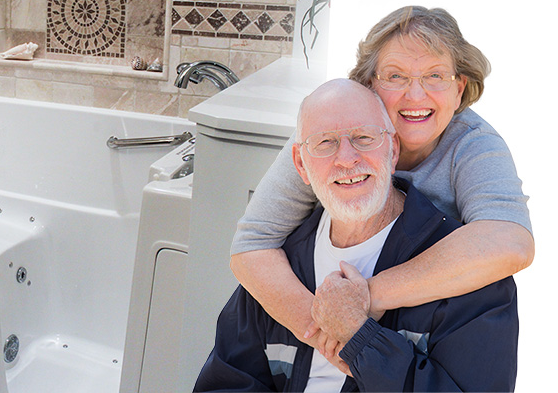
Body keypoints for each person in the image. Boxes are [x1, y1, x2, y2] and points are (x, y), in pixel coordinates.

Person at [230, 6, 533, 359]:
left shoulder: (474, 144)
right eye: (396, 76)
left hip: (425, 335)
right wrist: (326, 335)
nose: (416, 96)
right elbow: (252, 245)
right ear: (368, 84)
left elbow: (512, 241)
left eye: (435, 76)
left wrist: (366, 297)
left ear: (459, 88)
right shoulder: (324, 136)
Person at [194, 79, 518, 392]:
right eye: (325, 142)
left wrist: (361, 340)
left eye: (364, 138)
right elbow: (225, 383)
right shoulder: (279, 269)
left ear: (392, 151)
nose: (346, 158)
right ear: (300, 165)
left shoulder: (468, 275)